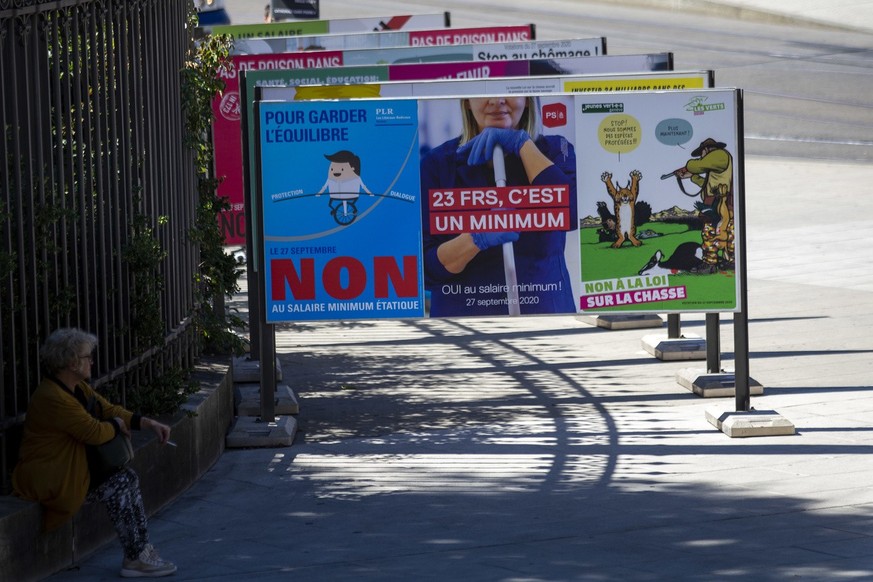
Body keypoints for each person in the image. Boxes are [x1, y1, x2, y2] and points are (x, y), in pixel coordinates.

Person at [12, 328, 177, 578]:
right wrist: (116, 426)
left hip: (73, 469)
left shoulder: (78, 388)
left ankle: (140, 552)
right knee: (121, 482)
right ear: (71, 362)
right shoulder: (52, 397)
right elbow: (93, 432)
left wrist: (148, 424)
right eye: (87, 356)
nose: (92, 361)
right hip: (52, 477)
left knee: (126, 478)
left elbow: (109, 410)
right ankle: (135, 556)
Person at [420, 96, 577, 317]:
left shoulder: (555, 150)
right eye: (484, 91)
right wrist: (476, 237)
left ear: (528, 98)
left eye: (507, 89)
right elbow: (425, 270)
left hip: (546, 321)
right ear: (466, 101)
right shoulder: (437, 164)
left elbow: (571, 213)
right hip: (466, 330)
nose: (497, 100)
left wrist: (522, 144)